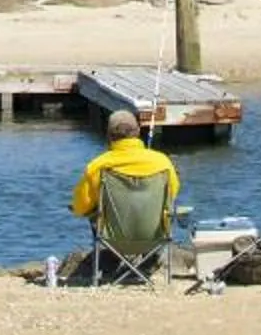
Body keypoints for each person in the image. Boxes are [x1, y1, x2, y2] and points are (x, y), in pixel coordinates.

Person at [69, 109, 180, 277]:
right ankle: (149, 261)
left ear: (109, 136)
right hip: (155, 237)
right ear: (137, 132)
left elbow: (80, 208)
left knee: (94, 211)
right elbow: (173, 193)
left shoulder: (98, 166)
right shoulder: (162, 162)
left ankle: (109, 262)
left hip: (113, 240)